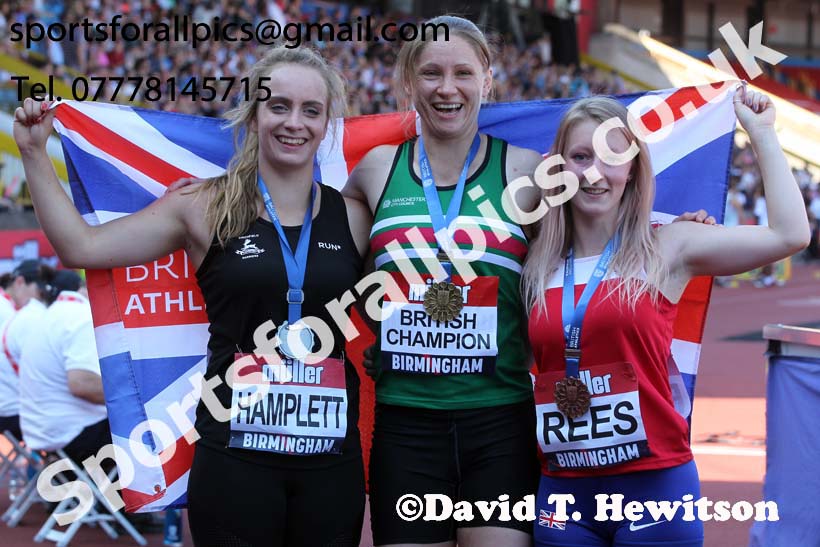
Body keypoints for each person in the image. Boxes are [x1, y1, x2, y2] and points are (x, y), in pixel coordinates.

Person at [14, 46, 371, 546]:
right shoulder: (204, 206)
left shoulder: (357, 217)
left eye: (311, 110)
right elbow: (82, 247)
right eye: (278, 106)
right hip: (234, 457)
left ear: (328, 122)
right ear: (253, 113)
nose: (295, 122)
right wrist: (33, 153)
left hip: (330, 461)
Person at [522, 89, 809, 546]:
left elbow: (790, 233)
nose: (595, 172)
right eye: (579, 156)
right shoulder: (536, 259)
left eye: (612, 156)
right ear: (558, 167)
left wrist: (761, 133)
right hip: (563, 487)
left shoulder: (670, 245)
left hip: (654, 486)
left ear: (633, 168)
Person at [343, 15, 546, 547]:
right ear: (408, 82)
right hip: (406, 426)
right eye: (431, 73)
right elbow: (326, 262)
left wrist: (675, 228)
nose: (447, 88)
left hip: (499, 423)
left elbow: (593, 253)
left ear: (487, 80)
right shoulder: (376, 171)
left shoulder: (527, 172)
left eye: (463, 72)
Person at [19, 269, 112, 464]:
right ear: (83, 289)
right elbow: (81, 384)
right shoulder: (81, 315)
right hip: (72, 432)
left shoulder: (47, 316)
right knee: (148, 426)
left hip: (40, 431)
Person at [0, 260, 55, 439]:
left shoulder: (13, 311)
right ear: (20, 282)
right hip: (14, 409)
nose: (42, 296)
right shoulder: (10, 312)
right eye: (41, 289)